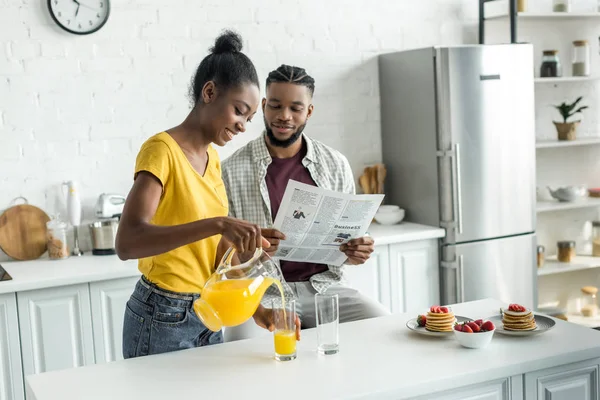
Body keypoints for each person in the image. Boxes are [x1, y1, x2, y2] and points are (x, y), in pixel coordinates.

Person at [116, 31, 293, 359]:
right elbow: (127, 242)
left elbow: (218, 255)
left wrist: (258, 310)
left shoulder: (213, 161)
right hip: (162, 315)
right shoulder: (161, 151)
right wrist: (218, 223)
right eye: (239, 111)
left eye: (249, 119)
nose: (243, 126)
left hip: (207, 312)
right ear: (209, 92)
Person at [221, 64, 390, 341]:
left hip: (327, 288)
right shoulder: (231, 170)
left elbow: (352, 232)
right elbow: (223, 255)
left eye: (295, 108)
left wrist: (359, 247)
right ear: (263, 106)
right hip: (263, 293)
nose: (284, 116)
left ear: (309, 111)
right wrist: (253, 250)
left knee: (384, 330)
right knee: (239, 351)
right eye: (275, 106)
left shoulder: (335, 163)